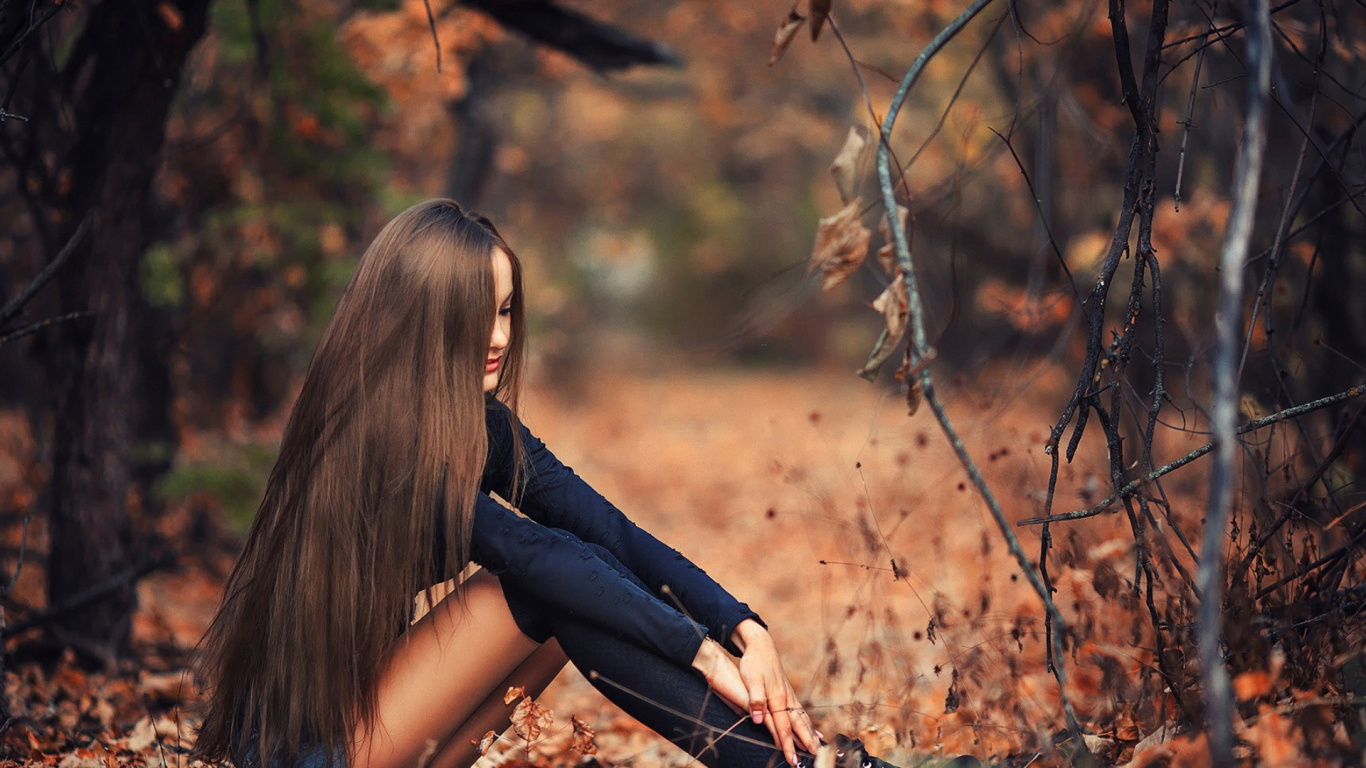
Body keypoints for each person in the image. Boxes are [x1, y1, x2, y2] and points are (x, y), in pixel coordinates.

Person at [193, 199, 891, 768]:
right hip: (302, 751)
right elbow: (535, 558)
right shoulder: (380, 440)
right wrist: (703, 655)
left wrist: (744, 628)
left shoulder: (473, 425)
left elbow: (609, 532)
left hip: (369, 726)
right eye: (476, 312)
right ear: (424, 314)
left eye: (503, 309)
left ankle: (805, 766)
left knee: (586, 581)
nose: (498, 334)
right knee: (541, 584)